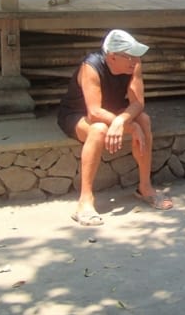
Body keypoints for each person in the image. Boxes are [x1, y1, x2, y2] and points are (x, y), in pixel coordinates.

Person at [58, 29, 173, 226]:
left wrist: (122, 122)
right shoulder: (91, 67)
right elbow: (94, 112)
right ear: (112, 57)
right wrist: (129, 126)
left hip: (114, 111)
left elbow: (138, 104)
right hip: (77, 114)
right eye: (130, 56)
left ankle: (145, 188)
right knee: (98, 129)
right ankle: (85, 201)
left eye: (136, 55)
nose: (135, 60)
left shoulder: (134, 64)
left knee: (144, 120)